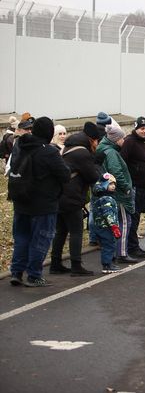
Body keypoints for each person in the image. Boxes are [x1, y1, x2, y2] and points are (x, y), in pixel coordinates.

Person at [8, 117, 70, 287]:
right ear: (50, 133)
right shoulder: (48, 151)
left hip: (20, 200)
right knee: (40, 239)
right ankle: (34, 275)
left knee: (21, 237)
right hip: (43, 204)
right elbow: (64, 174)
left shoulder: (20, 145)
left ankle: (17, 272)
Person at [50, 122, 101, 276]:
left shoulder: (69, 147)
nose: (98, 144)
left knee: (61, 231)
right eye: (97, 141)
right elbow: (92, 176)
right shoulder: (82, 153)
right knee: (76, 231)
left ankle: (55, 264)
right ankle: (76, 266)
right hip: (71, 197)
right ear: (92, 139)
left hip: (59, 195)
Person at [96, 125, 136, 263]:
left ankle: (112, 252)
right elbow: (116, 172)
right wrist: (126, 187)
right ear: (116, 139)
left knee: (112, 223)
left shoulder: (103, 149)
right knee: (124, 222)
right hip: (119, 193)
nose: (124, 141)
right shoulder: (111, 153)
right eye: (122, 138)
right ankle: (122, 253)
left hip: (109, 192)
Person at [121, 116, 145, 258]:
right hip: (135, 186)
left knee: (136, 217)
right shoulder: (130, 141)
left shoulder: (140, 142)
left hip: (143, 186)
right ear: (136, 129)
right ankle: (132, 247)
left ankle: (133, 245)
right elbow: (123, 161)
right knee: (133, 218)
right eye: (142, 128)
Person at [90, 173, 123, 274]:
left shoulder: (101, 198)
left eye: (114, 184)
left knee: (108, 245)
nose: (113, 186)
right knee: (108, 245)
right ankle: (107, 265)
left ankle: (109, 263)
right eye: (110, 184)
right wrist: (114, 226)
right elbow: (108, 214)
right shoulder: (106, 199)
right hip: (106, 226)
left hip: (101, 226)